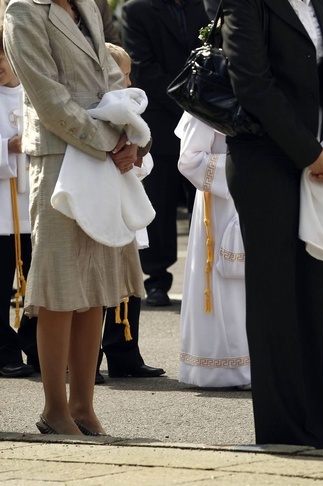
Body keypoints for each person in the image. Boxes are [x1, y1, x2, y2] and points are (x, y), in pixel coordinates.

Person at [4, 0, 145, 435]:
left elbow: (108, 77)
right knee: (61, 286)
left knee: (96, 286)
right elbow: (48, 97)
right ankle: (55, 410)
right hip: (60, 155)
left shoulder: (86, 5)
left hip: (104, 155)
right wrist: (107, 139)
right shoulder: (22, 10)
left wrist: (129, 135)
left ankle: (83, 407)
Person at [221, 0, 323, 448]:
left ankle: (315, 426)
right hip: (264, 159)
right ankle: (281, 430)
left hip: (315, 158)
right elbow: (252, 83)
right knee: (275, 296)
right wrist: (308, 153)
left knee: (311, 290)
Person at [121, 0, 210, 307]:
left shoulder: (207, 6)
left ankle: (212, 272)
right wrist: (189, 101)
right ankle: (157, 279)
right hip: (162, 118)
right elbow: (144, 67)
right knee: (160, 201)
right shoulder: (137, 11)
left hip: (207, 119)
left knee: (206, 197)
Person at [99, 42, 165, 381]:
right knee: (98, 286)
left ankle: (126, 353)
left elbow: (145, 160)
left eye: (129, 75)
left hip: (128, 204)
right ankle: (89, 357)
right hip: (102, 205)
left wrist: (136, 156)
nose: (127, 83)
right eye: (120, 76)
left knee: (129, 284)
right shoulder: (98, 110)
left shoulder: (131, 109)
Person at [175, 112, 250, 390]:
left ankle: (259, 363)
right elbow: (190, 160)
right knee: (225, 287)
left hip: (261, 198)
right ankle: (225, 367)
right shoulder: (207, 95)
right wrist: (244, 169)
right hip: (220, 203)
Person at [0, 24, 33, 379]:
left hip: (33, 207)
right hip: (0, 211)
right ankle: (5, 351)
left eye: (2, 54)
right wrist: (7, 147)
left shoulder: (33, 95)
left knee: (38, 285)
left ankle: (34, 346)